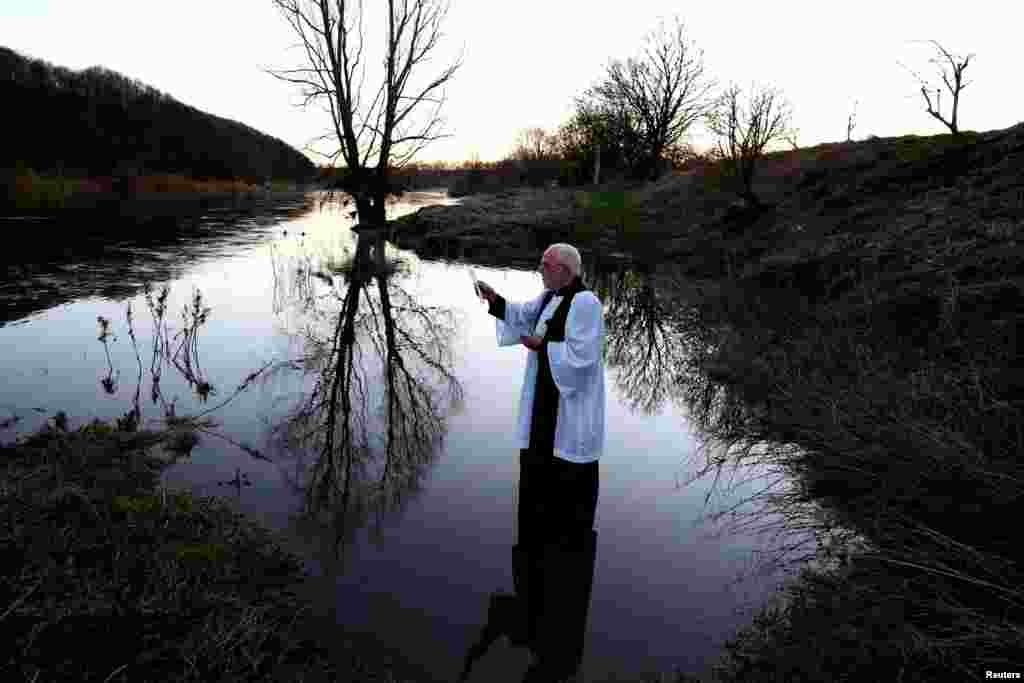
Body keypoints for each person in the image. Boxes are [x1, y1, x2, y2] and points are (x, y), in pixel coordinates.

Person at [474, 243, 605, 680]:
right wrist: (494, 302)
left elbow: (584, 359)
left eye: (546, 265)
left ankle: (561, 558)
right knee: (536, 472)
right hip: (544, 409)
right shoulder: (549, 298)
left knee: (564, 483)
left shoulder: (586, 303)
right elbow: (524, 317)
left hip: (568, 409)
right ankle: (537, 561)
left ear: (565, 269)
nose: (540, 270)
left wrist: (542, 347)